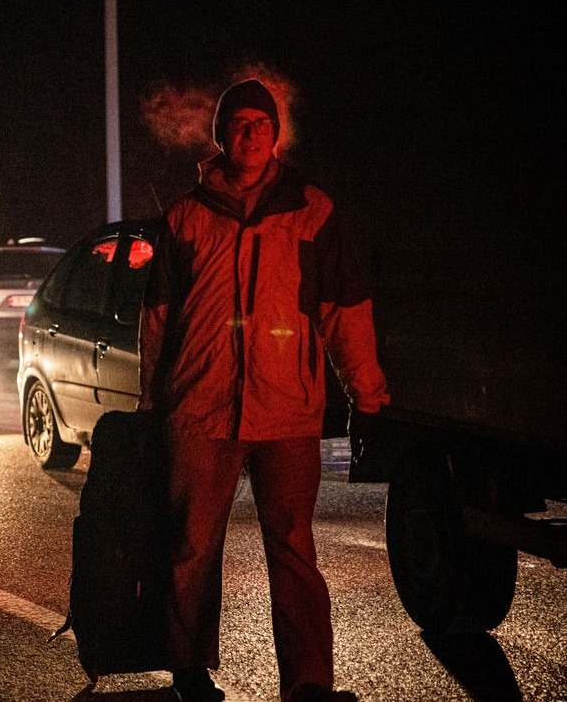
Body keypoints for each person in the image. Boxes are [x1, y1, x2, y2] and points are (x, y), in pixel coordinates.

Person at [137, 78, 388, 702]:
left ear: (276, 136)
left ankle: (308, 683)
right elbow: (158, 319)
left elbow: (344, 309)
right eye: (240, 124)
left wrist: (368, 391)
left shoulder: (313, 209)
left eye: (261, 124)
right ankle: (189, 671)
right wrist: (152, 402)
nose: (250, 135)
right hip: (201, 407)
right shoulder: (186, 215)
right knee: (191, 544)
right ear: (222, 134)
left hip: (287, 410)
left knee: (293, 546)